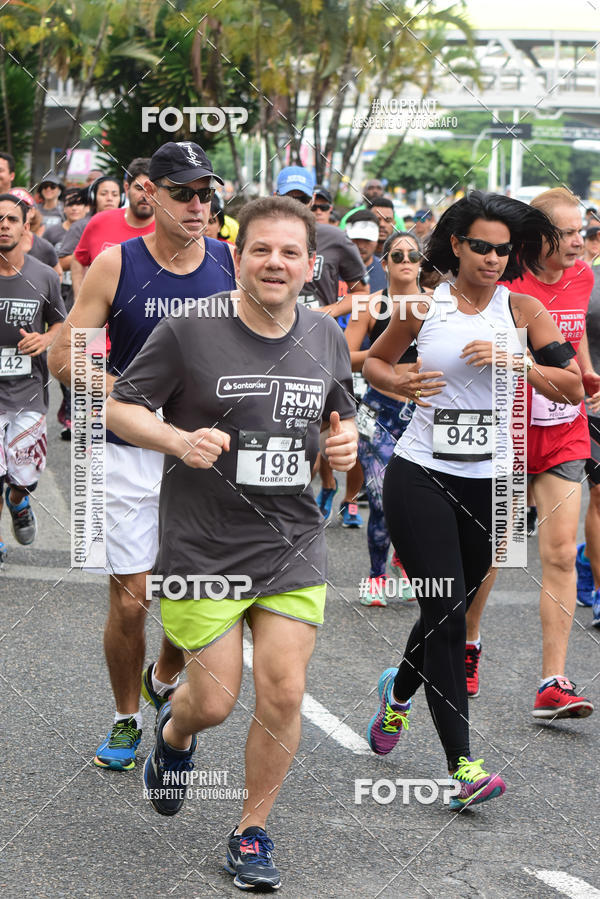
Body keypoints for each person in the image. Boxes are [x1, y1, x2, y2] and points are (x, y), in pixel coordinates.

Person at [104, 195, 357, 891]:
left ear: (310, 265)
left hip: (290, 540)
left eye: (290, 252)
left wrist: (343, 445)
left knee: (284, 690)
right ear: (236, 256)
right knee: (213, 701)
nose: (275, 262)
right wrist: (176, 439)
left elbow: (340, 417)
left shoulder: (324, 334)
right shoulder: (190, 328)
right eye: (260, 249)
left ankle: (251, 830)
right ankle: (174, 734)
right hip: (202, 543)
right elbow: (120, 407)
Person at [364, 190, 584, 809]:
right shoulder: (422, 306)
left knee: (449, 606)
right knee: (447, 614)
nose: (493, 259)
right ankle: (463, 769)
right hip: (421, 473)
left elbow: (571, 387)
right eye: (481, 247)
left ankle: (397, 692)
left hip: (495, 483)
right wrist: (400, 380)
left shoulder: (523, 310)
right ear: (457, 245)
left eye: (503, 250)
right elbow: (374, 363)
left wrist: (516, 362)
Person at [48, 140, 236, 772]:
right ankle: (127, 718)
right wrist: (121, 391)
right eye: (183, 193)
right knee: (131, 599)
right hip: (127, 451)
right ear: (150, 193)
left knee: (192, 591)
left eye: (205, 194)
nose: (197, 205)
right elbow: (63, 357)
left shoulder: (228, 262)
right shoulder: (115, 264)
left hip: (202, 454)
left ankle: (165, 674)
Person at [465, 187, 595, 718]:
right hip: (509, 432)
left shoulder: (583, 276)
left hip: (564, 429)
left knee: (560, 552)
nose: (579, 241)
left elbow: (573, 332)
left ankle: (552, 681)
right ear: (538, 237)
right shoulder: (507, 285)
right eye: (567, 233)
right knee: (496, 550)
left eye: (582, 231)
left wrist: (585, 373)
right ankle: (468, 642)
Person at [276, 166, 367, 526]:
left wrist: (325, 313)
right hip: (270, 344)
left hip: (316, 344)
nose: (296, 204)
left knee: (323, 426)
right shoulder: (264, 234)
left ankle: (323, 497)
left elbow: (361, 293)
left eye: (302, 199)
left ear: (313, 200)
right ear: (276, 196)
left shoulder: (333, 237)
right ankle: (291, 506)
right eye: (289, 198)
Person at [345, 230, 423, 605]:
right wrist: (385, 353)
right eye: (398, 255)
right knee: (379, 499)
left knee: (414, 502)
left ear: (422, 263)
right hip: (378, 413)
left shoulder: (438, 306)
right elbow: (344, 356)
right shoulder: (370, 306)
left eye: (413, 255)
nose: (406, 261)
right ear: (385, 262)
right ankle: (377, 576)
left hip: (422, 416)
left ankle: (404, 562)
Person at [0, 193, 65, 563]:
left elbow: (61, 323)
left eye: (12, 219)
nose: (4, 225)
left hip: (28, 393)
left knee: (23, 476)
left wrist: (45, 339)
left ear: (26, 227)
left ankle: (18, 500)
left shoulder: (44, 275)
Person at [71, 160, 154, 297]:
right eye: (139, 188)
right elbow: (78, 260)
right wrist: (80, 298)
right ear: (126, 188)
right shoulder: (100, 221)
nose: (145, 195)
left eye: (151, 189)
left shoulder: (170, 230)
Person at [44, 187, 88, 439]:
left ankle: (77, 417)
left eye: (79, 203)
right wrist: (81, 257)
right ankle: (69, 404)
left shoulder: (90, 227)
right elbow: (49, 262)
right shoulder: (54, 233)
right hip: (60, 300)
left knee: (85, 361)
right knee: (62, 359)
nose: (74, 208)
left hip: (87, 305)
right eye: (69, 203)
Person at [345, 209, 387, 293]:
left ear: (376, 239)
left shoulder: (388, 273)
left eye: (367, 240)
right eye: (356, 239)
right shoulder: (331, 269)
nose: (361, 246)